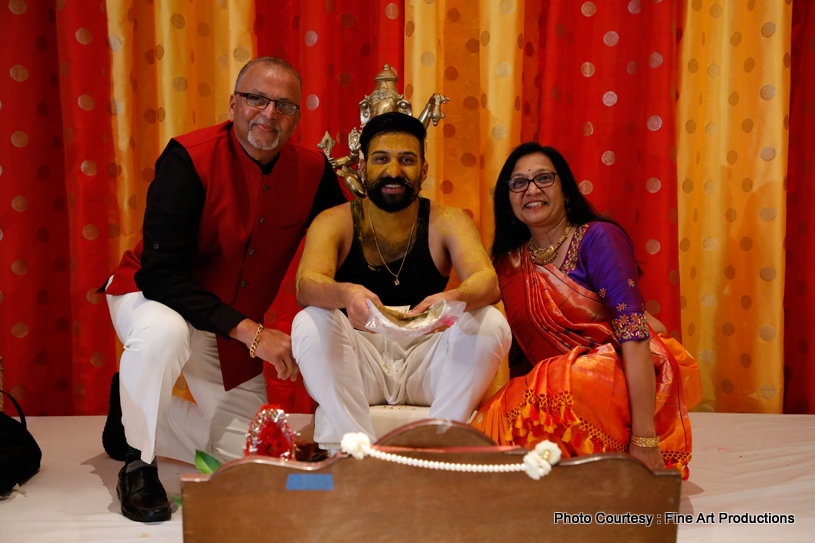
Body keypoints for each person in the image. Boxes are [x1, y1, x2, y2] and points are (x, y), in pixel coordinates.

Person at [101, 57, 345, 522]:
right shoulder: (187, 158)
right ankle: (138, 460)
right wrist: (253, 334)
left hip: (226, 325)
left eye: (284, 105)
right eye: (256, 98)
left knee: (254, 458)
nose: (268, 114)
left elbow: (343, 252)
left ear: (297, 117)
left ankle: (132, 414)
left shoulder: (316, 171)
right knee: (164, 336)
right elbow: (160, 273)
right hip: (155, 298)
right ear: (234, 103)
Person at [471, 143, 700, 478]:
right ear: (508, 201)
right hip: (552, 398)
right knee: (487, 421)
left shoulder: (598, 238)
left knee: (575, 379)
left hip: (618, 381)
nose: (531, 189)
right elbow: (519, 358)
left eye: (544, 179)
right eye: (518, 183)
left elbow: (634, 333)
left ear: (566, 191)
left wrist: (645, 440)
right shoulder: (508, 265)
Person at [292, 112, 511, 445]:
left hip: (427, 360)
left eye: (406, 160)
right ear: (362, 167)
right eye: (382, 159)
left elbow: (487, 282)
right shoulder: (333, 221)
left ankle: (438, 444)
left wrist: (450, 300)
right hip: (360, 361)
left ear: (423, 170)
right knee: (309, 321)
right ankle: (361, 449)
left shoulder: (447, 219)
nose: (393, 171)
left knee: (491, 322)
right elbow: (306, 285)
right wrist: (346, 294)